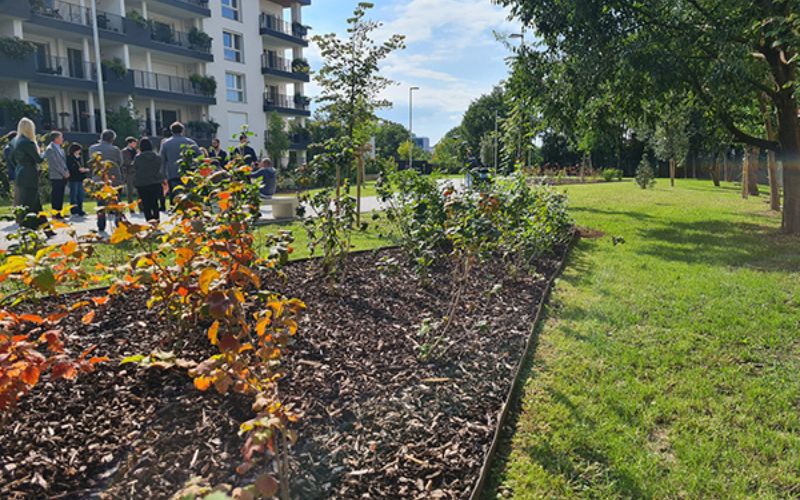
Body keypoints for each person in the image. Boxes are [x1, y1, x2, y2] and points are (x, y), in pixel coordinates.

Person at [12, 118, 46, 230]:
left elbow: (11, 159)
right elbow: (39, 159)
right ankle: (29, 227)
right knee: (30, 203)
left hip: (20, 173)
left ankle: (46, 229)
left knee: (33, 202)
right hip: (29, 175)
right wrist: (44, 152)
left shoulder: (16, 142)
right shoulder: (28, 142)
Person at [89, 129, 124, 235]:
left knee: (100, 203)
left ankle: (101, 225)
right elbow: (120, 162)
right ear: (112, 139)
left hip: (98, 179)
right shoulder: (115, 149)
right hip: (114, 178)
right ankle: (118, 223)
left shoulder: (92, 148)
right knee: (116, 201)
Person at [159, 121, 199, 204]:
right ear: (182, 130)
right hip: (188, 174)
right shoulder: (190, 142)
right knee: (189, 198)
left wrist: (162, 175)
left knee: (174, 197)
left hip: (172, 174)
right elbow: (200, 156)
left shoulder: (166, 144)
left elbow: (162, 161)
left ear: (171, 131)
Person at [134, 137, 167, 223]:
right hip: (155, 182)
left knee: (146, 204)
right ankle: (156, 219)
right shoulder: (157, 157)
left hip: (142, 183)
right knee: (155, 203)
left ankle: (149, 220)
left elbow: (135, 168)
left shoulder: (138, 158)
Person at [43, 131, 70, 217]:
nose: (62, 139)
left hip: (63, 175)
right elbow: (55, 164)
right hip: (56, 176)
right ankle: (55, 213)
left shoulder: (60, 149)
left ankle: (60, 212)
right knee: (56, 195)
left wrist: (67, 171)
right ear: (56, 138)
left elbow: (63, 162)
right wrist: (63, 173)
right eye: (61, 137)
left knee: (61, 195)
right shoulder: (50, 149)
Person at [67, 143, 89, 216]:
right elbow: (70, 168)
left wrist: (85, 170)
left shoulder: (80, 158)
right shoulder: (69, 158)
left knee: (80, 195)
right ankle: (74, 211)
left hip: (80, 178)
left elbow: (84, 165)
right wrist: (78, 169)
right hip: (73, 178)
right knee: (74, 195)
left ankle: (80, 210)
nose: (80, 151)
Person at [121, 136, 138, 213]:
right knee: (130, 191)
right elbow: (125, 162)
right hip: (129, 173)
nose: (135, 145)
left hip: (137, 172)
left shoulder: (136, 151)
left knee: (139, 190)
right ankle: (131, 207)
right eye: (134, 143)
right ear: (130, 143)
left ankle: (141, 206)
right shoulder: (124, 151)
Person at [3, 131, 18, 205]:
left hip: (15, 173)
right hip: (15, 173)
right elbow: (12, 162)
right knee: (17, 193)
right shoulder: (8, 148)